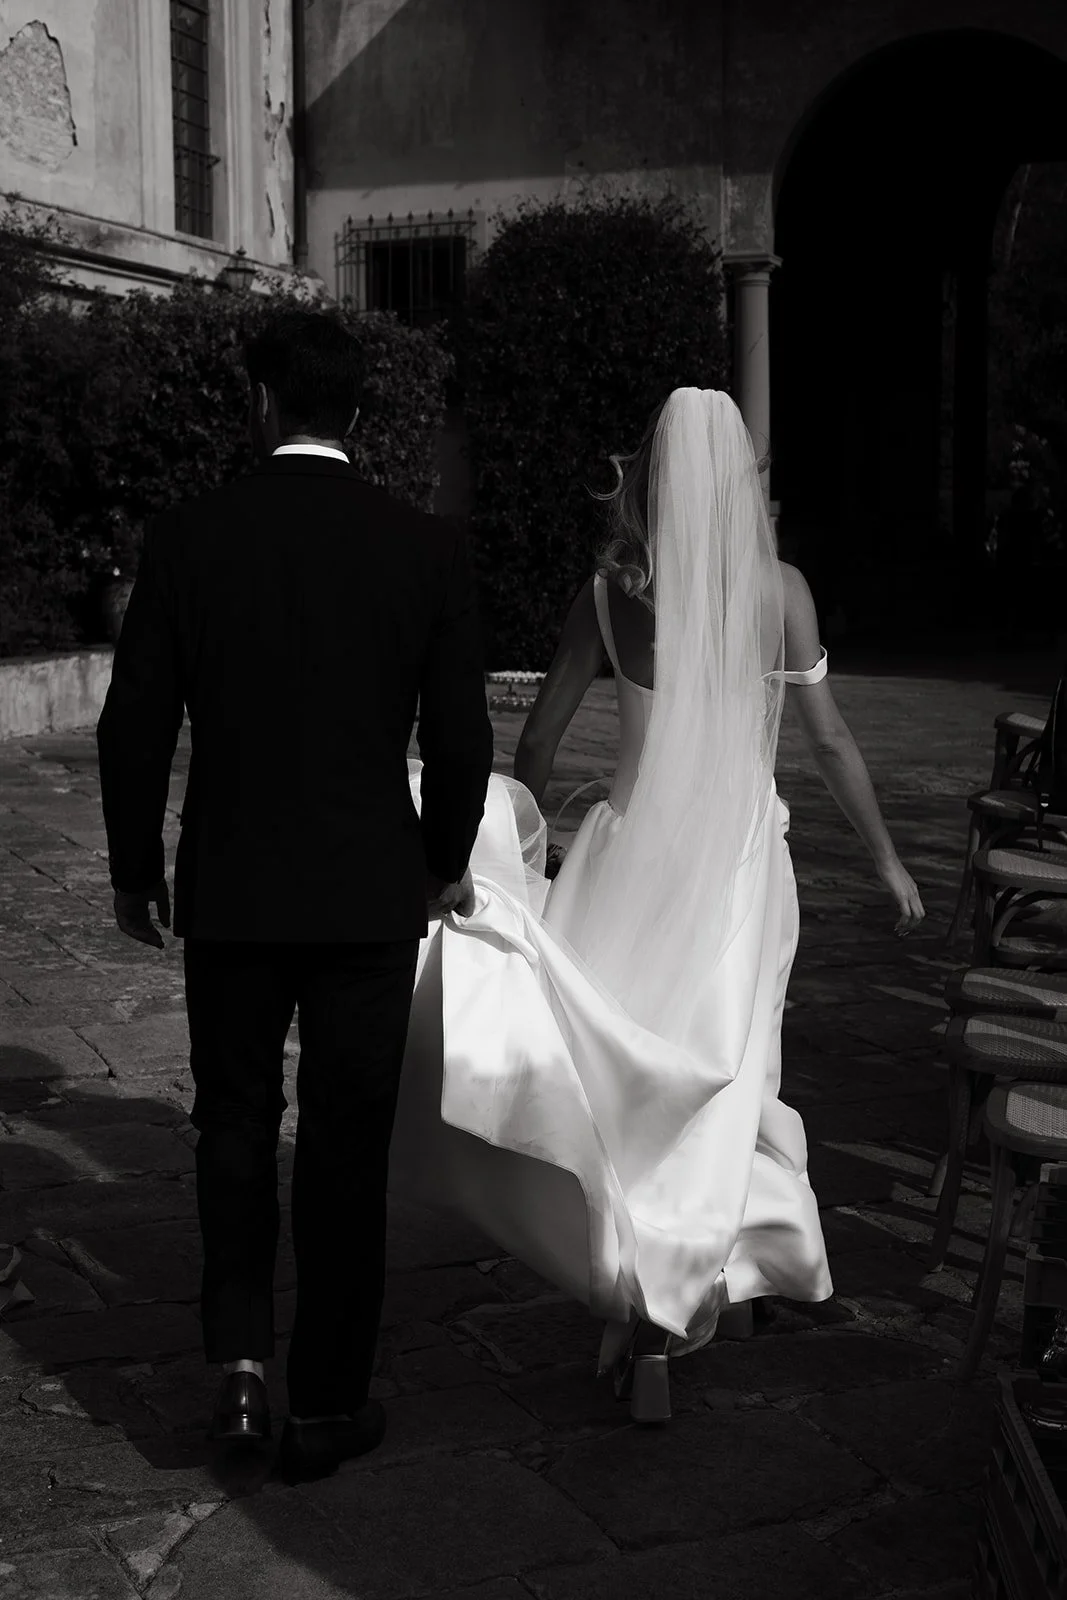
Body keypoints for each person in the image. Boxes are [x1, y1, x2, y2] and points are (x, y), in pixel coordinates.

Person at [390, 388, 924, 1421]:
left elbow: (540, 736)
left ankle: (702, 1281)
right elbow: (828, 743)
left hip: (624, 859)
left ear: (650, 473)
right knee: (727, 1073)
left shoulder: (608, 592)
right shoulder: (781, 593)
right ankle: (670, 1308)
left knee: (633, 1084)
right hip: (733, 874)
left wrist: (527, 847)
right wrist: (888, 860)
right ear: (740, 482)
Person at [96, 311, 493, 1482]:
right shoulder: (425, 548)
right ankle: (323, 1399)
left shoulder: (188, 536)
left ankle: (234, 1372)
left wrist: (135, 867)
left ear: (261, 403)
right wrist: (438, 856)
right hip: (368, 894)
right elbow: (462, 738)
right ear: (359, 415)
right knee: (341, 1143)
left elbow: (132, 724)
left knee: (229, 1123)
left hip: (231, 890)